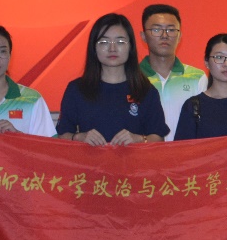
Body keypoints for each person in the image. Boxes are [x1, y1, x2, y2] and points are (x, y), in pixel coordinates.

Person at [56, 13, 168, 144]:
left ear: (130, 46)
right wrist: (78, 137)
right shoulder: (76, 89)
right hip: (89, 158)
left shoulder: (146, 90)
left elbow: (158, 139)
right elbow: (62, 135)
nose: (112, 48)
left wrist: (139, 139)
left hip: (134, 158)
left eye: (120, 42)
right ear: (94, 47)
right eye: (104, 42)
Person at [138, 3, 207, 141]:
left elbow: (206, 126)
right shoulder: (132, 78)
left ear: (180, 36)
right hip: (145, 153)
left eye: (171, 30)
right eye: (156, 30)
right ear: (143, 36)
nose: (164, 35)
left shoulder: (198, 78)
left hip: (187, 154)